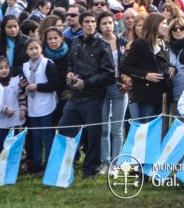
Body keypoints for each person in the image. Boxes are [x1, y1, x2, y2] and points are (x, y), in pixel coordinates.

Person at [59, 10, 115, 179]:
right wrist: (69, 72)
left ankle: (90, 169)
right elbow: (70, 63)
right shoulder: (75, 42)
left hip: (94, 96)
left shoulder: (102, 45)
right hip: (75, 96)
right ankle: (65, 163)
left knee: (93, 135)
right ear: (81, 25)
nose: (90, 25)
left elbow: (109, 74)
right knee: (64, 128)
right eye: (87, 22)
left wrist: (87, 82)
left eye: (92, 22)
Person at [121, 12, 176, 121]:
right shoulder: (140, 44)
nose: (167, 26)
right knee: (148, 130)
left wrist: (173, 69)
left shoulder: (162, 43)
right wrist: (145, 75)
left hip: (164, 94)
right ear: (154, 24)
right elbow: (124, 66)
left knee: (163, 131)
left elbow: (165, 64)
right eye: (164, 23)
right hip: (147, 96)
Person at [20, 41, 61, 174]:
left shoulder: (47, 63)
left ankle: (48, 162)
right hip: (32, 105)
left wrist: (38, 87)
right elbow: (24, 84)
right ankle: (37, 163)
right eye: (31, 49)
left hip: (46, 103)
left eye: (36, 48)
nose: (34, 51)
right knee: (36, 136)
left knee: (46, 135)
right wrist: (22, 84)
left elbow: (55, 83)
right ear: (26, 51)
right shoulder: (25, 66)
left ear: (41, 48)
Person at [97, 10, 128, 167]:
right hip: (102, 87)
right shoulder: (96, 43)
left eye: (110, 23)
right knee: (104, 128)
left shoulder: (122, 42)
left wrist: (126, 81)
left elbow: (127, 65)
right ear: (99, 26)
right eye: (104, 23)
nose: (108, 26)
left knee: (117, 128)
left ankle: (116, 161)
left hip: (119, 86)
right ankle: (105, 161)